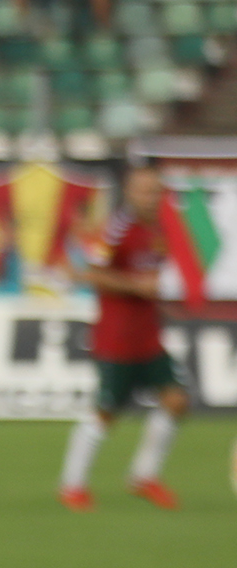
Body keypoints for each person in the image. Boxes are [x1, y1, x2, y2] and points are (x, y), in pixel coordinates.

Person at [58, 163, 187, 512]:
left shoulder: (160, 228)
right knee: (106, 412)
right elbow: (92, 274)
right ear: (129, 192)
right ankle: (72, 485)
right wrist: (136, 286)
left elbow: (156, 276)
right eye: (144, 191)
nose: (151, 197)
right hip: (116, 339)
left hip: (149, 337)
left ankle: (143, 476)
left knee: (176, 401)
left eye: (156, 191)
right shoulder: (116, 229)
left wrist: (163, 296)